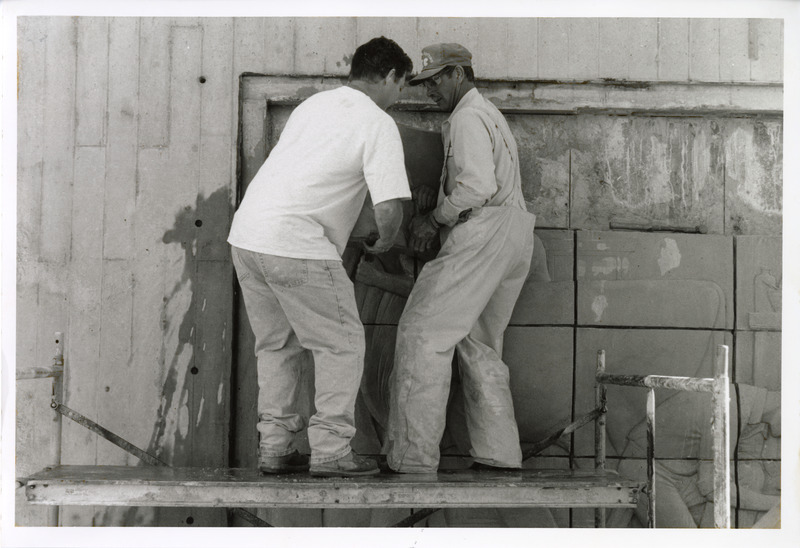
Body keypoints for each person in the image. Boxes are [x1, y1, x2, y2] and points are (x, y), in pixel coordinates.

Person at [227, 37, 413, 477]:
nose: (399, 95)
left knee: (277, 345)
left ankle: (274, 447)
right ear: (388, 76)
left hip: (249, 237)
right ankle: (330, 452)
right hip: (298, 244)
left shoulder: (312, 107)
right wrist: (385, 241)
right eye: (402, 85)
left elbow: (311, 177)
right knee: (342, 344)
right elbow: (388, 208)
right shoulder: (378, 122)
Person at [386, 43, 536, 473]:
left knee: (421, 332)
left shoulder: (467, 117)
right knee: (479, 345)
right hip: (514, 233)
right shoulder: (490, 115)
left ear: (458, 74)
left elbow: (476, 188)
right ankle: (500, 454)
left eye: (435, 80)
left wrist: (434, 218)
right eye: (425, 82)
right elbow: (481, 182)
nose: (429, 90)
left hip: (484, 231)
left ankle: (410, 459)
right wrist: (445, 195)